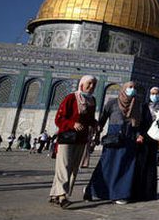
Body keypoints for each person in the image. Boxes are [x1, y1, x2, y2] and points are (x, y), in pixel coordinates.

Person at [85, 81, 142, 204]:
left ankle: (120, 194)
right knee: (107, 165)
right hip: (114, 137)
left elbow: (137, 125)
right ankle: (94, 190)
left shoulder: (136, 104)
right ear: (123, 89)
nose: (132, 89)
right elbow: (103, 119)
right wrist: (97, 131)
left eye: (134, 87)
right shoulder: (112, 103)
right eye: (129, 87)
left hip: (129, 138)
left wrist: (138, 135)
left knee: (125, 166)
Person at [49, 75, 98, 208]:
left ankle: (55, 194)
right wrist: (72, 124)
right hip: (67, 137)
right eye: (89, 83)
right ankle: (62, 196)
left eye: (94, 84)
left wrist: (94, 123)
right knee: (63, 166)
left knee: (73, 167)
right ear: (81, 84)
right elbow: (59, 119)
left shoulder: (91, 101)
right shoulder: (71, 98)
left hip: (81, 139)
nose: (92, 87)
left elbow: (89, 119)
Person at [133, 86, 159, 201]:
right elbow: (139, 121)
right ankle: (138, 191)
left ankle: (149, 192)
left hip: (154, 140)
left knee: (151, 165)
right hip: (143, 138)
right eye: (153, 93)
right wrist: (139, 134)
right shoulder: (144, 107)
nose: (155, 95)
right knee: (141, 164)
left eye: (157, 93)